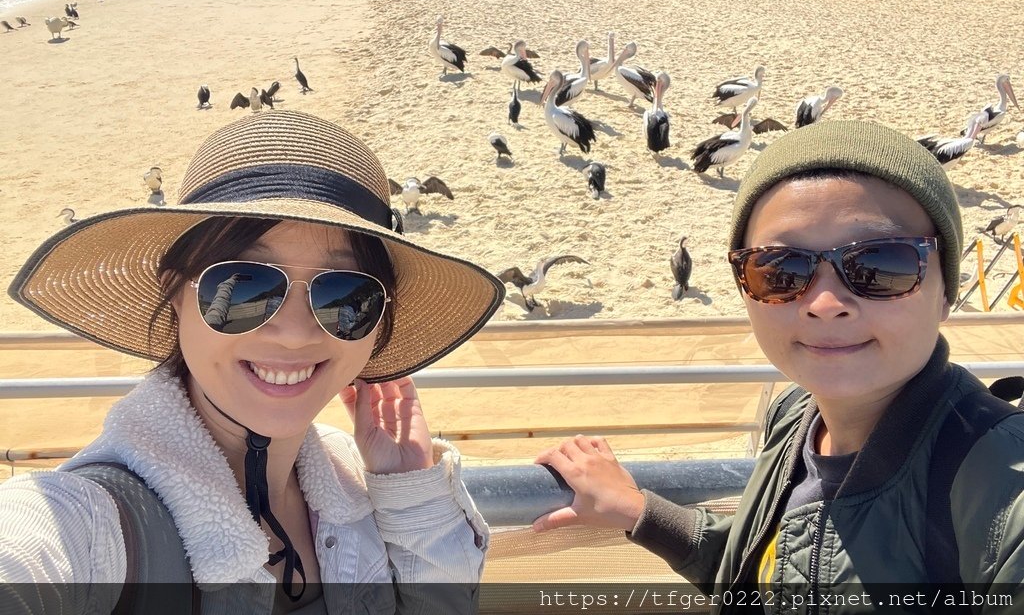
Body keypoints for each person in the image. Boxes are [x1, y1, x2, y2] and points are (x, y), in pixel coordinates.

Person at [0, 110, 505, 613]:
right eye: (243, 285)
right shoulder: (90, 525)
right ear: (175, 293)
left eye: (345, 296)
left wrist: (409, 495)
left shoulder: (357, 481)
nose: (294, 334)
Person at [533, 120, 1024, 608]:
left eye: (882, 264)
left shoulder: (1003, 488)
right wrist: (642, 513)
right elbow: (779, 575)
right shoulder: (794, 418)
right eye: (781, 270)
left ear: (946, 293)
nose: (825, 301)